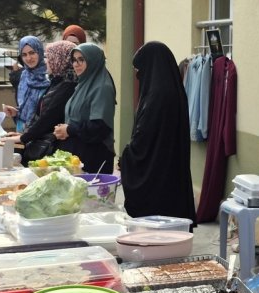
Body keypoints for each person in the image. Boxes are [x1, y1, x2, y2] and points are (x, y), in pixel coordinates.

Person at [119, 41, 195, 220]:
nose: (137, 74)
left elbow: (145, 137)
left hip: (156, 171)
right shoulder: (173, 90)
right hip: (170, 167)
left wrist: (126, 157)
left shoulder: (156, 97)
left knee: (156, 216)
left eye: (139, 69)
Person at [12, 40, 78, 163]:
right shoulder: (56, 81)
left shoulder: (67, 86)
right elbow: (40, 112)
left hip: (50, 146)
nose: (46, 61)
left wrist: (23, 137)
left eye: (49, 57)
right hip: (34, 136)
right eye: (24, 54)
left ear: (59, 59)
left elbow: (48, 118)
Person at [54, 43, 115, 174]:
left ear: (93, 61)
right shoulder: (83, 84)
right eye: (74, 60)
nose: (76, 64)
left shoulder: (102, 88)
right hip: (77, 155)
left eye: (82, 59)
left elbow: (100, 127)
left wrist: (69, 129)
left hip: (94, 157)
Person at [4, 36, 49, 131]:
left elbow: (49, 114)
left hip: (42, 135)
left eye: (32, 53)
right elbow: (23, 108)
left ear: (40, 52)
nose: (28, 58)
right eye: (24, 54)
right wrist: (15, 113)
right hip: (21, 132)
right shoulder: (23, 76)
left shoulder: (50, 76)